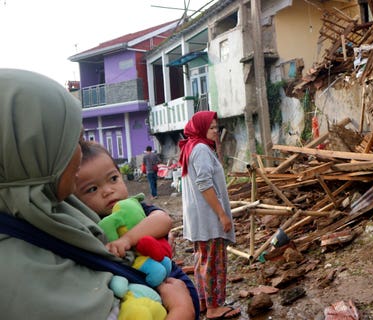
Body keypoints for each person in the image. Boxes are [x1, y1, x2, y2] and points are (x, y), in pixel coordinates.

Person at [0, 68, 194, 320]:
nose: (81, 155)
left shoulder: (58, 211)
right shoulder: (18, 278)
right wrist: (182, 310)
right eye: (72, 142)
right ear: (31, 155)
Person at [178, 111, 239, 319]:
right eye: (211, 127)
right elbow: (205, 185)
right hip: (208, 217)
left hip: (198, 218)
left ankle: (204, 302)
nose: (215, 131)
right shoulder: (202, 149)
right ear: (201, 128)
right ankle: (214, 307)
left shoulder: (192, 147)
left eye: (216, 127)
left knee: (202, 260)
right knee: (213, 261)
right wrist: (222, 215)